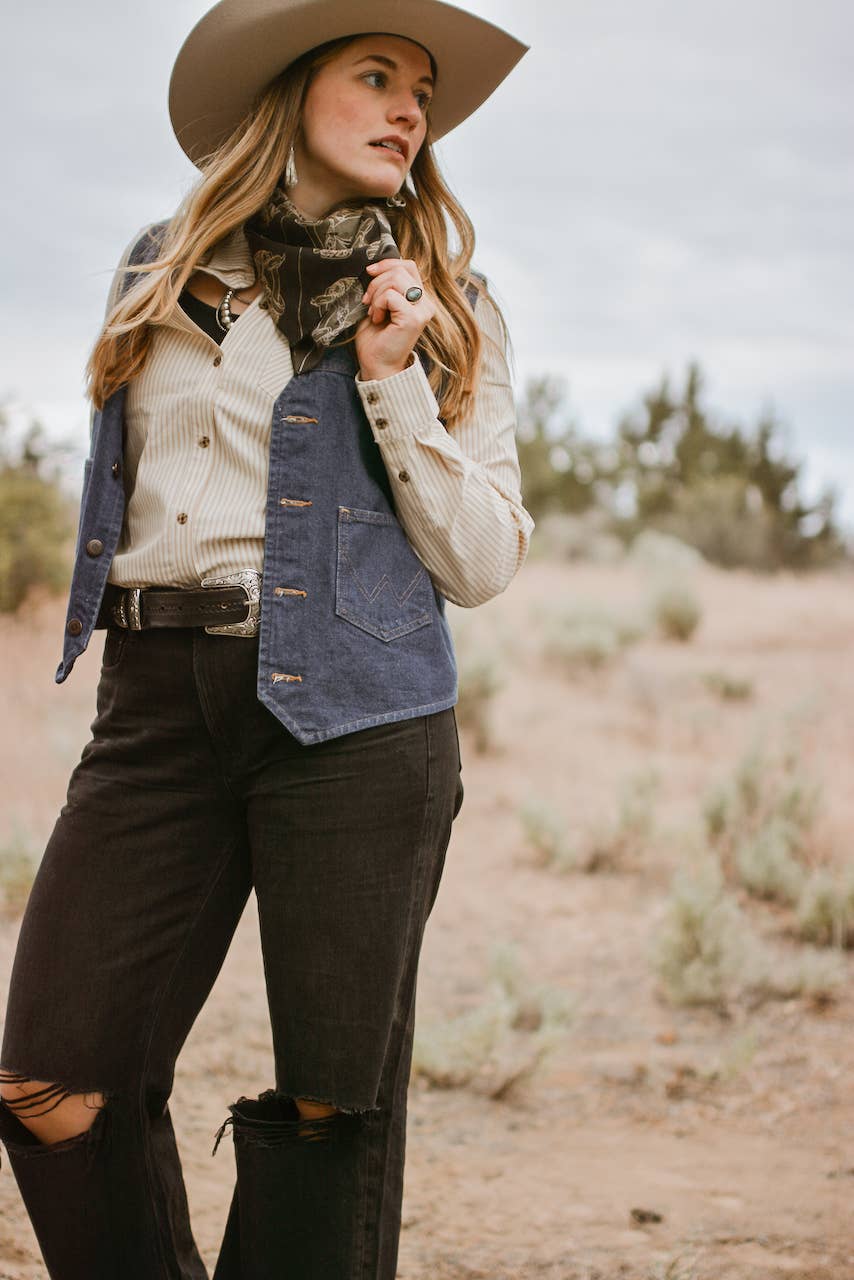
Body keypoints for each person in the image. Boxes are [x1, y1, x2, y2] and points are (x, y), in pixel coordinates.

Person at [0, 1, 533, 1275]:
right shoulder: (158, 263)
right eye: (375, 74)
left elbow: (485, 556)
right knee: (47, 1080)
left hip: (357, 723)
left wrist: (392, 375)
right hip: (150, 710)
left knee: (321, 1116)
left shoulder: (448, 303)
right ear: (291, 92)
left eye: (421, 86)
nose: (410, 105)